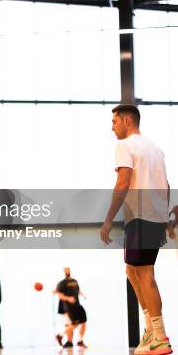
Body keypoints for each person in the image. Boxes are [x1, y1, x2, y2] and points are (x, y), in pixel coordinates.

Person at [101, 105, 173, 354]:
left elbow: (123, 182)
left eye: (114, 121)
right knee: (132, 270)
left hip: (142, 216)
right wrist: (167, 215)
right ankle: (151, 330)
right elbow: (165, 184)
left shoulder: (125, 146)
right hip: (151, 217)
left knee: (145, 274)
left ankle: (160, 335)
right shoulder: (156, 149)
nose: (112, 126)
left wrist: (108, 218)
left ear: (127, 120)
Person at [54, 267, 87, 349]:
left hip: (77, 305)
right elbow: (59, 294)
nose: (67, 270)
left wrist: (82, 294)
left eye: (68, 269)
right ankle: (60, 335)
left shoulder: (74, 281)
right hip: (69, 307)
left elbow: (77, 290)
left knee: (84, 322)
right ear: (63, 272)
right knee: (74, 324)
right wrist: (68, 298)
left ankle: (80, 341)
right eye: (65, 269)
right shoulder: (62, 283)